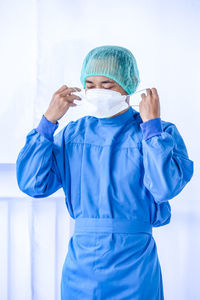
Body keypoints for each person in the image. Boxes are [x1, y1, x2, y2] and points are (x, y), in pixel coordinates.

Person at [16, 45, 194, 299]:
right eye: (90, 84)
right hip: (82, 265)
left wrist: (152, 128)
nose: (98, 91)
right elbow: (32, 184)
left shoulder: (157, 133)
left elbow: (166, 187)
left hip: (135, 264)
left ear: (128, 85)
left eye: (108, 85)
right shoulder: (74, 134)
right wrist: (48, 122)